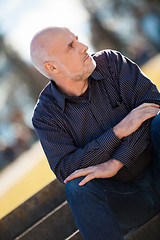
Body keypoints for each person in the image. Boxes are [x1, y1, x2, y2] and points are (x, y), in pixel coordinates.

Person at [30, 27, 160, 240]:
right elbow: (67, 169)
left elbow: (154, 106)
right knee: (77, 186)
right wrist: (117, 131)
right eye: (71, 46)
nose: (84, 47)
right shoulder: (46, 115)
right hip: (126, 201)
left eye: (77, 40)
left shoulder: (112, 63)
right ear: (52, 67)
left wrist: (116, 162)